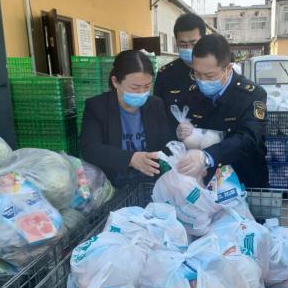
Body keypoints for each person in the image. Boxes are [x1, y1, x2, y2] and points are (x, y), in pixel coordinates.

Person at [175, 34, 268, 188]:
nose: (202, 81)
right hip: (205, 183)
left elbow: (248, 138)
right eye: (197, 74)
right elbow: (193, 134)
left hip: (245, 182)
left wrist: (206, 156)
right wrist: (183, 132)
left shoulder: (252, 95)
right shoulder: (191, 93)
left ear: (228, 68)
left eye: (209, 75)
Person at [80, 50, 171, 188]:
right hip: (114, 184)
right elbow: (90, 149)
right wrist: (130, 159)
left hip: (150, 182)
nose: (142, 93)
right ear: (116, 81)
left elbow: (166, 142)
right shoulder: (97, 106)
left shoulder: (155, 104)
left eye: (147, 86)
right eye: (135, 87)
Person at [154, 13, 206, 134]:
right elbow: (158, 115)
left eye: (194, 43)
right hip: (174, 143)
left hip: (209, 143)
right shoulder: (166, 74)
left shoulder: (215, 70)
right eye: (182, 44)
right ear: (176, 42)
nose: (188, 48)